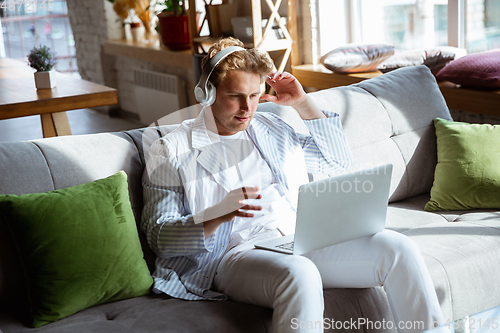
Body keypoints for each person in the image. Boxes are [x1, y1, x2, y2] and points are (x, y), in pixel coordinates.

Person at [141, 37, 448, 333]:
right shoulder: (171, 150)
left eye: (254, 95)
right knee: (300, 274)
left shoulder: (272, 127)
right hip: (233, 255)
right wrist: (218, 214)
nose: (247, 108)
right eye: (235, 96)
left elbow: (335, 160)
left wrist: (302, 103)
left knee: (398, 248)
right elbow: (160, 238)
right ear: (207, 93)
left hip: (297, 239)